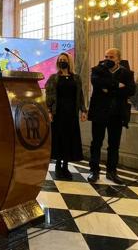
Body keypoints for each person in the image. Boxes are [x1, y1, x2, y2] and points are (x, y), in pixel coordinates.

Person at [87, 48, 135, 185]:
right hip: (99, 113)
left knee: (114, 145)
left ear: (118, 59)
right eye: (106, 56)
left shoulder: (126, 73)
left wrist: (108, 89)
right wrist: (116, 85)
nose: (108, 59)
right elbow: (96, 83)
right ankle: (94, 171)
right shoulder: (97, 70)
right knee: (96, 143)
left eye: (111, 57)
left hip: (117, 114)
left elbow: (131, 90)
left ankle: (112, 172)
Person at [45, 52, 87, 180]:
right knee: (59, 139)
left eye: (65, 59)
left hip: (72, 114)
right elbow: (49, 96)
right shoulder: (53, 78)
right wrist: (49, 111)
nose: (62, 61)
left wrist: (83, 110)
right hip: (58, 113)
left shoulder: (76, 78)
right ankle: (58, 165)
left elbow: (80, 96)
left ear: (69, 62)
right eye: (60, 60)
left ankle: (66, 166)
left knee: (70, 139)